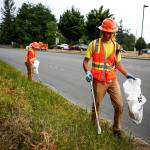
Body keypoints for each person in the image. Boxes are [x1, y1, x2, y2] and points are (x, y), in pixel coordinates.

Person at [83, 18, 136, 136]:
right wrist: (87, 72)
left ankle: (116, 130)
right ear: (102, 31)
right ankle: (93, 126)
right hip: (98, 81)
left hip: (112, 80)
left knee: (119, 105)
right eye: (106, 32)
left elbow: (118, 64)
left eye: (111, 32)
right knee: (96, 105)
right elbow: (85, 62)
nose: (108, 35)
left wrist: (126, 74)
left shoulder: (116, 46)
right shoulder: (94, 44)